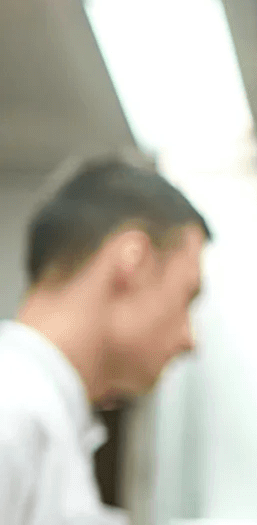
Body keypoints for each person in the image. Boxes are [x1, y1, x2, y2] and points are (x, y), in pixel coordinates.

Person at [1, 157, 209, 525]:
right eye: (187, 297)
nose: (189, 340)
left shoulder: (46, 416)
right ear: (134, 261)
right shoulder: (13, 407)